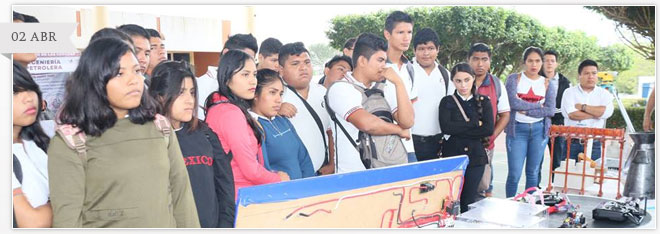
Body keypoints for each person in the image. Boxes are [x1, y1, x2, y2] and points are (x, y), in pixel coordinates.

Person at [48, 37, 199, 228]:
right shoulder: (71, 141)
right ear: (95, 80)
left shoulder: (160, 127)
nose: (134, 81)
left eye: (136, 71)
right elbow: (68, 221)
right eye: (119, 73)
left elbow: (181, 197)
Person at [148, 60, 235, 228]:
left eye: (192, 92)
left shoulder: (205, 134)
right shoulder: (150, 140)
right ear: (160, 96)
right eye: (181, 93)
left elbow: (225, 187)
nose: (190, 100)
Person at [204, 50, 290, 198]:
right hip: (241, 198)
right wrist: (278, 179)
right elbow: (250, 170)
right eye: (245, 75)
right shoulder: (230, 113)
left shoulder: (219, 107)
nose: (253, 81)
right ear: (227, 78)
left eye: (254, 74)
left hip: (234, 193)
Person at [326, 33, 413, 173]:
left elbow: (407, 122)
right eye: (380, 60)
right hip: (353, 176)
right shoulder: (340, 88)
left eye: (385, 61)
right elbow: (367, 124)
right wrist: (399, 130)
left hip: (387, 170)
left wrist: (399, 83)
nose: (384, 67)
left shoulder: (384, 87)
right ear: (362, 61)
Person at [438, 63, 493, 213]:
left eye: (467, 80)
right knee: (450, 200)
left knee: (469, 199)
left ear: (474, 79)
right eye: (458, 81)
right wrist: (475, 124)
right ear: (453, 81)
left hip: (476, 158)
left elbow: (488, 129)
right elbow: (446, 128)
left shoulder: (484, 101)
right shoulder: (447, 102)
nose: (463, 85)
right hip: (453, 156)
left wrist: (459, 129)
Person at [504, 46, 557, 198]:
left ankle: (530, 207)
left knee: (533, 173)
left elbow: (550, 110)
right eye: (530, 61)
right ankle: (509, 203)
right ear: (524, 62)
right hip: (517, 130)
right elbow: (513, 103)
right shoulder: (514, 79)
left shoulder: (548, 83)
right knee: (514, 174)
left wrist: (526, 110)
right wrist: (537, 106)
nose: (534, 65)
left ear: (542, 63)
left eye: (538, 61)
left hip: (539, 131)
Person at [277, 42, 334, 175]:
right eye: (295, 64)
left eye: (307, 62)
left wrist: (332, 164)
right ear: (281, 69)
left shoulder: (322, 92)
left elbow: (331, 132)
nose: (303, 68)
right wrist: (274, 111)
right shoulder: (275, 96)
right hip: (292, 175)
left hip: (323, 171)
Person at [250, 69, 315, 179]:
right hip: (279, 192)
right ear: (255, 94)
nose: (278, 99)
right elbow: (262, 169)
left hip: (302, 191)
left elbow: (303, 157)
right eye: (272, 92)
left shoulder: (282, 121)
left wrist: (310, 186)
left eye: (280, 94)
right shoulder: (253, 126)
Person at [468, 43, 511, 197]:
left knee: (484, 185)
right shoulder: (459, 80)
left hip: (486, 145)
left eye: (484, 59)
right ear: (468, 60)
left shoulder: (497, 84)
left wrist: (491, 135)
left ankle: (482, 217)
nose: (480, 64)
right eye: (475, 59)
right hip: (461, 144)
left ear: (490, 61)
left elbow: (505, 115)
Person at [12, 61, 52, 228]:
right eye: (14, 92)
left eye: (29, 88)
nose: (28, 98)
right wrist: (68, 202)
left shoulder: (39, 143)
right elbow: (32, 223)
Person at [410, 27, 456, 161]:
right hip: (410, 143)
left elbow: (451, 108)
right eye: (421, 48)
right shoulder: (407, 72)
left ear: (438, 49)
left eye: (430, 48)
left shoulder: (445, 75)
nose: (426, 53)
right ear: (414, 50)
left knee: (433, 182)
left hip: (437, 143)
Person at [560, 59, 614, 161]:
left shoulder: (604, 94)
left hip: (594, 143)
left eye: (594, 73)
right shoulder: (569, 92)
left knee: (592, 175)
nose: (591, 76)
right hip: (572, 143)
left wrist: (583, 107)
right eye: (586, 73)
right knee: (568, 175)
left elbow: (607, 113)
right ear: (579, 75)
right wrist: (596, 113)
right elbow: (572, 115)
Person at [383, 10, 418, 162]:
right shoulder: (378, 67)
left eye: (409, 32)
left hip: (408, 146)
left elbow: (410, 111)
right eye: (400, 32)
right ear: (387, 34)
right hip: (382, 149)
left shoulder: (410, 68)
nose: (406, 37)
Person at [197, 33, 258, 120]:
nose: (253, 81)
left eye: (251, 59)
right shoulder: (200, 86)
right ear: (226, 53)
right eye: (242, 57)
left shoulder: (246, 88)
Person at [538, 50, 571, 185]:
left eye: (552, 61)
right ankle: (535, 189)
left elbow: (568, 104)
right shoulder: (536, 79)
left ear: (556, 64)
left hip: (558, 124)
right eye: (546, 60)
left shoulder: (565, 82)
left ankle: (555, 189)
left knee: (557, 159)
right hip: (539, 122)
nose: (549, 63)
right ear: (542, 63)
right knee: (537, 159)